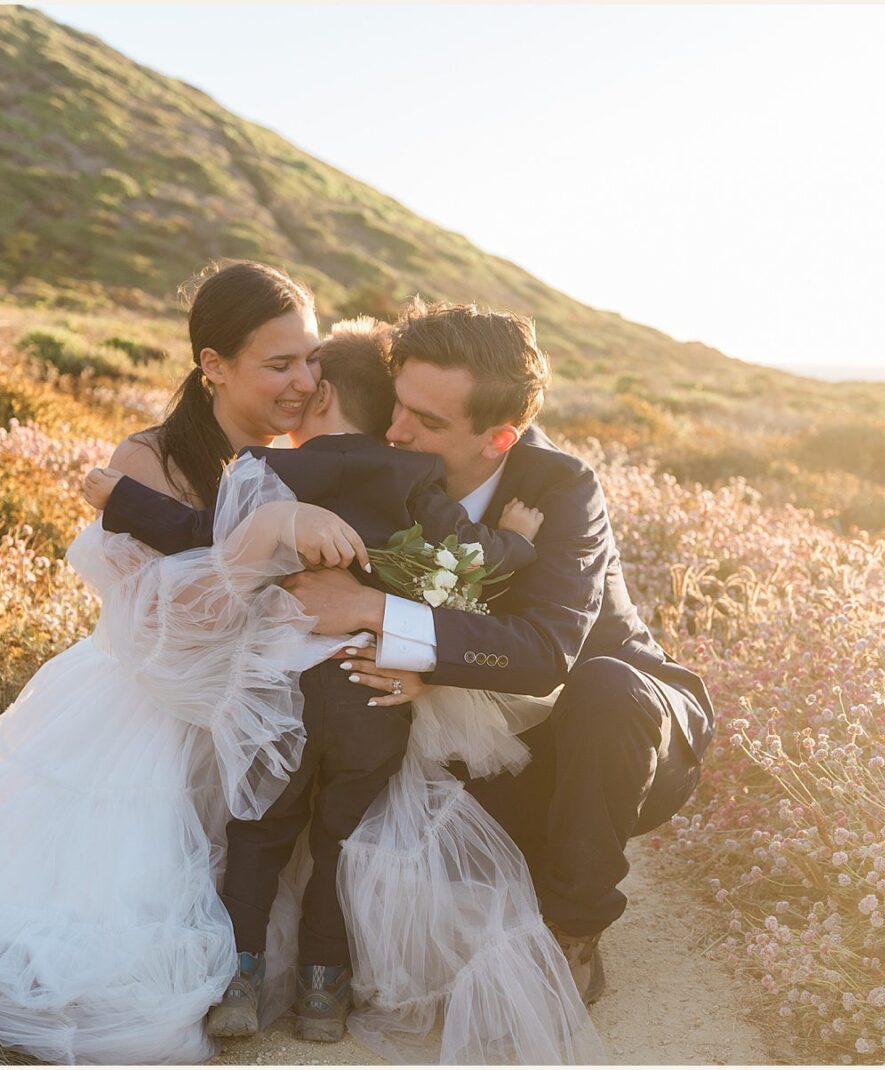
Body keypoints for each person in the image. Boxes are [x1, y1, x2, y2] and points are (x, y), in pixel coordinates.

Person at [0, 263, 600, 1065]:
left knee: (328, 837)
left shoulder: (312, 453)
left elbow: (374, 573)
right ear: (214, 365)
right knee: (151, 934)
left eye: (313, 361)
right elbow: (168, 635)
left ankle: (315, 962)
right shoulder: (160, 459)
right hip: (167, 712)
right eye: (280, 365)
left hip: (282, 715)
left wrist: (382, 624)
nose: (306, 381)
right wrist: (266, 529)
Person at [82, 317, 545, 1042]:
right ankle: (323, 997)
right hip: (368, 694)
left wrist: (119, 497)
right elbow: (472, 554)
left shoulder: (273, 473)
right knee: (343, 839)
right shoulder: (416, 477)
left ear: (322, 394)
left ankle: (239, 981)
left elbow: (197, 536)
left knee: (260, 833)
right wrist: (516, 536)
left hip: (284, 694)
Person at [277, 299, 717, 1005]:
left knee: (606, 689)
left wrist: (375, 611)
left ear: (500, 437)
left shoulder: (563, 488)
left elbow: (546, 653)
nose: (395, 430)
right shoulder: (386, 458)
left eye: (427, 422)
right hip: (483, 745)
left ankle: (575, 929)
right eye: (399, 405)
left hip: (618, 735)